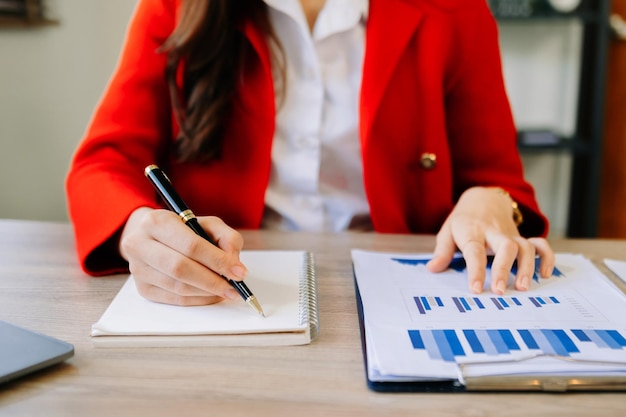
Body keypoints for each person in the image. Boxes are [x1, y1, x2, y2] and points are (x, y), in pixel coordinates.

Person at [66, 0, 555, 307]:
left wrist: (491, 200)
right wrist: (135, 227)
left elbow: (499, 182)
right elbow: (103, 163)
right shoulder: (173, 6)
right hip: (230, 285)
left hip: (409, 286)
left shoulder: (456, 11)